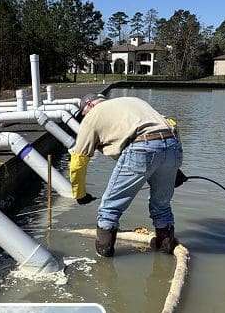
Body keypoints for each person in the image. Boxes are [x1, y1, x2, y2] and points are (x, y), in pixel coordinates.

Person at [69, 93, 183, 257]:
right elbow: (170, 124)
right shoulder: (133, 101)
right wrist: (175, 170)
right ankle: (165, 254)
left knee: (109, 210)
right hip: (172, 144)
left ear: (89, 106)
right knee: (162, 206)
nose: (83, 117)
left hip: (141, 145)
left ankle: (103, 262)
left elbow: (78, 160)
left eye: (82, 114)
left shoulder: (93, 115)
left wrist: (80, 194)